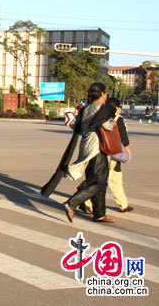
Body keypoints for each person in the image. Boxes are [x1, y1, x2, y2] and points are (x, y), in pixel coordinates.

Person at [62, 82, 117, 223]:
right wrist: (113, 121)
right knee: (100, 181)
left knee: (95, 181)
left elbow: (77, 126)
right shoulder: (101, 108)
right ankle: (72, 203)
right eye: (106, 93)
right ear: (103, 93)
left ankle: (99, 214)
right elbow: (107, 126)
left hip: (86, 146)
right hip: (97, 148)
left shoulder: (86, 109)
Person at [82, 97, 133, 214]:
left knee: (111, 178)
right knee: (108, 180)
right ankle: (86, 202)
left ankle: (123, 204)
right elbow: (123, 139)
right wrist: (128, 153)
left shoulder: (99, 116)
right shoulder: (117, 119)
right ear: (117, 108)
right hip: (113, 153)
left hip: (99, 151)